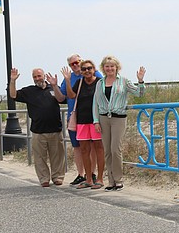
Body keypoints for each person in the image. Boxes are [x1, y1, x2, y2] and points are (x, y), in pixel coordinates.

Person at [92, 55, 146, 191]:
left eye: (112, 66)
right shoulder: (100, 83)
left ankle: (118, 179)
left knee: (116, 149)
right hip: (104, 118)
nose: (109, 68)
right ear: (103, 68)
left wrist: (140, 81)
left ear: (117, 67)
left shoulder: (123, 81)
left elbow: (139, 93)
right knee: (107, 151)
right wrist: (96, 120)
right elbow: (95, 103)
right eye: (107, 66)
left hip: (119, 118)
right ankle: (110, 181)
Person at [8, 67, 66, 187]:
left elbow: (61, 99)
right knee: (40, 157)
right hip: (38, 131)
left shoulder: (53, 88)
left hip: (55, 129)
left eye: (39, 76)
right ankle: (44, 178)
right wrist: (13, 81)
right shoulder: (29, 91)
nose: (37, 79)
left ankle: (57, 177)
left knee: (57, 156)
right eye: (35, 77)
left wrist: (54, 85)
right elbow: (13, 95)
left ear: (44, 76)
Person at [60, 60, 105, 189]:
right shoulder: (79, 83)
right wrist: (67, 80)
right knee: (84, 150)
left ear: (94, 69)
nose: (87, 71)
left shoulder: (99, 82)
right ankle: (88, 179)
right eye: (84, 69)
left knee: (99, 149)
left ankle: (100, 179)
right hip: (81, 121)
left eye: (89, 68)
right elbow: (71, 96)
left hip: (96, 121)